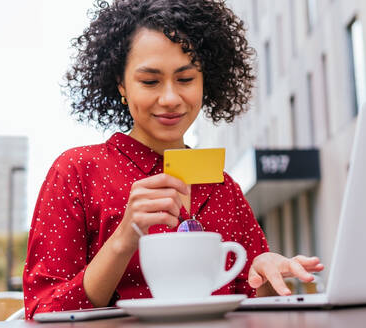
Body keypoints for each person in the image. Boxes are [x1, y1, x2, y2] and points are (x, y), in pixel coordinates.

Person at [23, 0, 324, 319]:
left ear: (206, 82)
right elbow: (44, 310)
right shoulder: (76, 172)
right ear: (121, 84)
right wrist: (123, 240)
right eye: (150, 81)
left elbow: (246, 304)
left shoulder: (223, 186)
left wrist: (265, 278)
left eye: (185, 79)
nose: (170, 99)